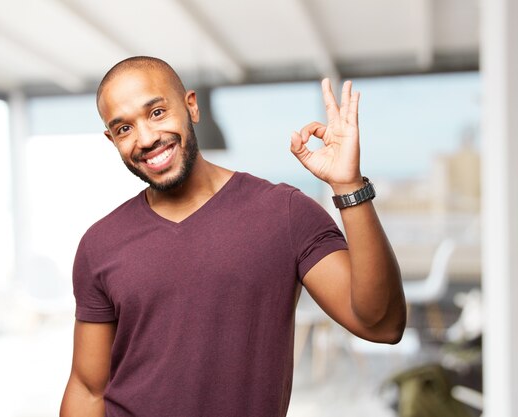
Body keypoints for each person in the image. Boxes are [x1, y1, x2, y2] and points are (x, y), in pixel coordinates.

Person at [60, 56, 406, 417]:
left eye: (157, 112)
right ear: (111, 139)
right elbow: (87, 388)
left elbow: (381, 324)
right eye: (124, 129)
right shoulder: (100, 244)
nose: (145, 138)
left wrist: (349, 186)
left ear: (191, 106)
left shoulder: (283, 213)